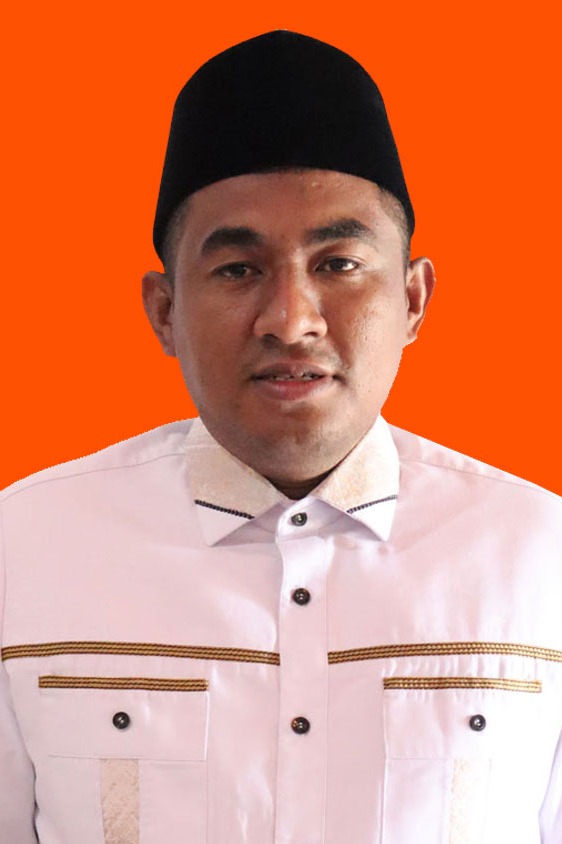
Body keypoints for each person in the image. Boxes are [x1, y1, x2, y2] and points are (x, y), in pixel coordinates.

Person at [1, 30, 561, 844]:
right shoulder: (24, 549)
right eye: (238, 269)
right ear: (164, 311)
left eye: (338, 264)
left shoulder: (541, 556)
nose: (291, 320)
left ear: (413, 299)